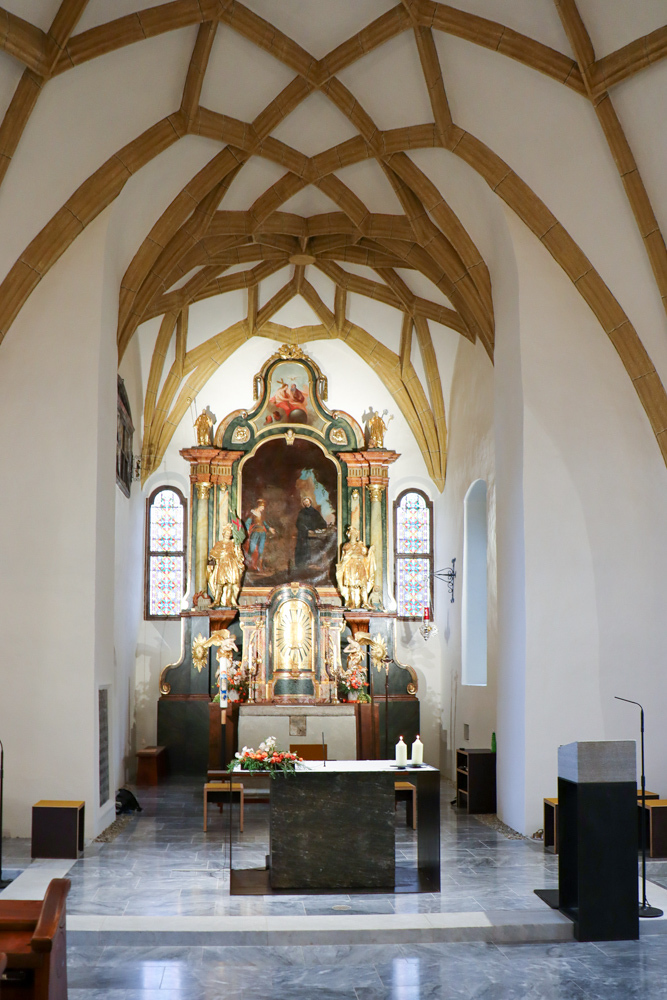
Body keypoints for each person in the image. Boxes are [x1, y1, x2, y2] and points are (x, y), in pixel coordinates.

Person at [336, 525, 376, 609]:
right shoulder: (346, 546)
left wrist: (369, 553)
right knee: (352, 585)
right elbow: (344, 557)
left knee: (363, 585)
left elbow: (366, 557)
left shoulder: (361, 546)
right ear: (349, 535)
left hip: (360, 566)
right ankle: (353, 603)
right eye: (351, 533)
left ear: (357, 535)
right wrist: (353, 556)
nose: (353, 535)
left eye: (355, 533)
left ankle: (365, 602)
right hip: (350, 567)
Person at [207, 524, 245, 607]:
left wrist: (239, 558)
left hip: (231, 565)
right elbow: (212, 553)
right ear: (223, 533)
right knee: (219, 584)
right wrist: (219, 554)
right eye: (226, 533)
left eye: (229, 533)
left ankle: (228, 601)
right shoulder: (219, 543)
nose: (228, 534)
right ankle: (216, 601)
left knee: (230, 584)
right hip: (222, 565)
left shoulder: (233, 543)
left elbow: (238, 554)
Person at [294, 496, 327, 568]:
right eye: (304, 502)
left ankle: (316, 563)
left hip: (313, 534)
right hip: (303, 534)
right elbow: (298, 523)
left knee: (316, 547)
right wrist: (306, 530)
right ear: (303, 503)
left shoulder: (315, 512)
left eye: (307, 501)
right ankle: (303, 565)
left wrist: (318, 528)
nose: (306, 503)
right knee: (303, 547)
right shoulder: (301, 512)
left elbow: (322, 523)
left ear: (310, 502)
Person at [244, 499, 275, 572]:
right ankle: (247, 565)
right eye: (262, 507)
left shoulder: (262, 514)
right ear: (259, 506)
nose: (263, 508)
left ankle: (259, 567)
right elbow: (247, 523)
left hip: (262, 533)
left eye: (263, 507)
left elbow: (264, 523)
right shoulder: (253, 513)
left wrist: (269, 528)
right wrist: (247, 529)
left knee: (261, 549)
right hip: (255, 532)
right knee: (252, 549)